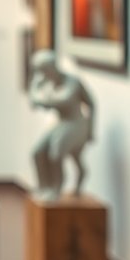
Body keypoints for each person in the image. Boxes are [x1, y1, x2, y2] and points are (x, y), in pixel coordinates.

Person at [28, 50, 94, 200]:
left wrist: (91, 130)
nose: (41, 74)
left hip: (76, 123)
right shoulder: (48, 83)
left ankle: (56, 188)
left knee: (56, 153)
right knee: (37, 152)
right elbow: (34, 102)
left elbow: (66, 101)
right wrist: (36, 89)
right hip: (61, 123)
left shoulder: (72, 82)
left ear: (51, 67)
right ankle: (44, 186)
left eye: (43, 70)